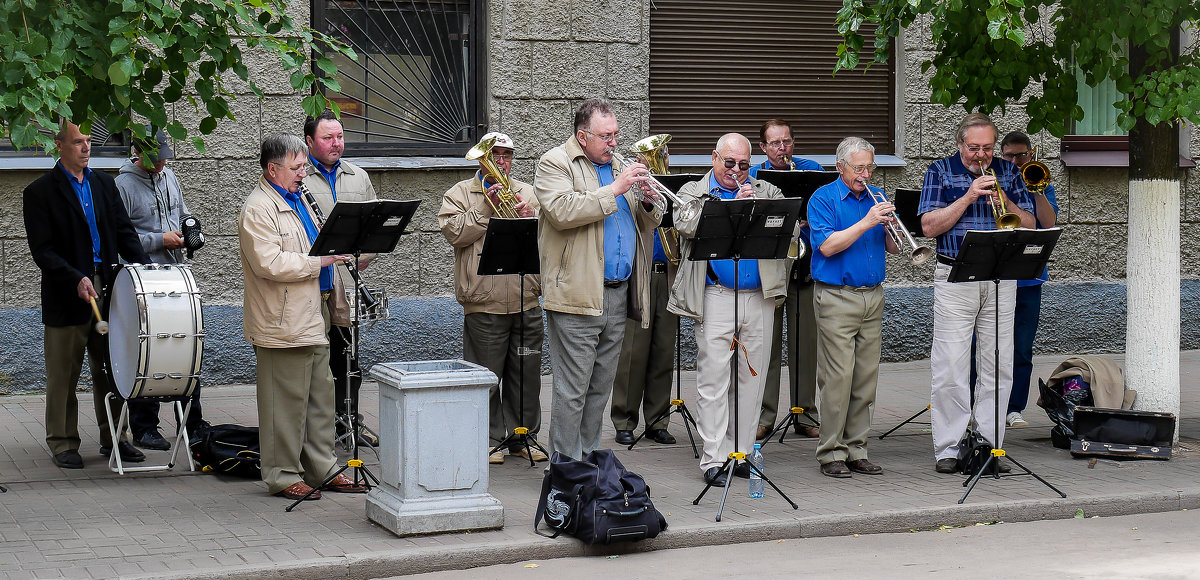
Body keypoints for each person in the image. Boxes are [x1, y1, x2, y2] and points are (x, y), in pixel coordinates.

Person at [239, 132, 365, 500]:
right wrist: (320, 261)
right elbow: (270, 263)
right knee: (285, 403)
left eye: (304, 167)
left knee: (320, 397)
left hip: (313, 312)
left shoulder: (298, 199)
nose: (302, 175)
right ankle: (282, 474)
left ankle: (322, 467)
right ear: (272, 168)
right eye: (296, 168)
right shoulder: (258, 208)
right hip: (282, 320)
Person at [533, 97, 660, 461]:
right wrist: (616, 189)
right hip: (577, 294)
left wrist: (649, 202)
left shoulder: (619, 164)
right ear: (583, 136)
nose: (615, 142)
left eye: (616, 134)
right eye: (606, 136)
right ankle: (565, 467)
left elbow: (652, 218)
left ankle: (588, 459)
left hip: (619, 293)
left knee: (600, 387)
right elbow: (561, 211)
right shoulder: (555, 162)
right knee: (572, 389)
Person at [23, 120, 151, 469]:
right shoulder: (40, 192)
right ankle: (63, 442)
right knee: (64, 373)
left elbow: (124, 233)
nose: (86, 147)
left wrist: (148, 270)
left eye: (88, 141)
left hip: (110, 288)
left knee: (111, 369)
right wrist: (75, 278)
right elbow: (43, 250)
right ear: (59, 145)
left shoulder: (104, 184)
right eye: (77, 141)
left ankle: (115, 437)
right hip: (68, 292)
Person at [668, 133, 793, 487]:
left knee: (752, 381)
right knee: (713, 379)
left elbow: (785, 227)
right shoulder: (693, 191)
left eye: (743, 165)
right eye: (729, 163)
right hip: (715, 294)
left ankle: (740, 453)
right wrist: (730, 209)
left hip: (759, 296)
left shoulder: (766, 190)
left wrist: (756, 209)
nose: (736, 171)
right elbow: (686, 224)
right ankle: (713, 458)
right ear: (714, 158)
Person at [918, 113, 1036, 474]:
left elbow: (1030, 224)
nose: (980, 156)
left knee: (997, 364)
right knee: (951, 364)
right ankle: (949, 448)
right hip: (955, 273)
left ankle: (990, 444)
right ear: (959, 144)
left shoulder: (1009, 171)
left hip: (1001, 276)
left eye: (986, 148)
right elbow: (927, 226)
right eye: (973, 148)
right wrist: (969, 197)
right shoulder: (939, 171)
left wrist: (1003, 196)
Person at [438, 131, 548, 464]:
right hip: (483, 303)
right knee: (486, 374)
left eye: (506, 155)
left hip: (525, 299)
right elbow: (453, 233)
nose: (501, 162)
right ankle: (488, 437)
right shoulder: (460, 193)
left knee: (526, 370)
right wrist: (485, 207)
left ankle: (523, 436)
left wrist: (534, 218)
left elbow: (550, 235)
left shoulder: (528, 192)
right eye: (495, 155)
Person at [807, 137, 897, 478]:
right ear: (840, 166)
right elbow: (827, 246)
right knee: (838, 378)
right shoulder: (823, 199)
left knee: (865, 379)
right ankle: (831, 452)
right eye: (859, 168)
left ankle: (857, 448)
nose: (866, 174)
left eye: (870, 167)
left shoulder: (878, 198)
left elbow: (893, 249)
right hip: (836, 295)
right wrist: (867, 221)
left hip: (873, 294)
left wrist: (890, 228)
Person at [115, 129, 209, 451]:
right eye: (154, 159)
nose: (160, 164)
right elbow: (121, 239)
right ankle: (145, 427)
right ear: (137, 154)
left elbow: (182, 215)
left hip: (176, 273)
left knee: (185, 346)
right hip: (143, 278)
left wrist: (190, 231)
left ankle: (192, 421)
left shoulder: (169, 176)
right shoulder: (123, 185)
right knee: (149, 350)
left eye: (164, 157)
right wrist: (160, 240)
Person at [301, 111, 380, 448]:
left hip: (347, 284)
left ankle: (350, 422)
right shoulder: (298, 177)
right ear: (309, 142)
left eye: (340, 137)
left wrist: (362, 258)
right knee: (317, 360)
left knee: (349, 358)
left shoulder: (357, 176)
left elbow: (375, 228)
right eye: (327, 138)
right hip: (313, 284)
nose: (336, 144)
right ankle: (318, 429)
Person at [749, 118, 824, 441]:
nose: (783, 149)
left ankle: (805, 413)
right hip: (772, 267)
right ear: (763, 148)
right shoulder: (755, 177)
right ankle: (764, 415)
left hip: (804, 268)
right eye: (776, 144)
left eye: (788, 142)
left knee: (805, 344)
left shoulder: (812, 171)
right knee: (768, 345)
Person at [611, 148, 678, 448]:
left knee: (664, 350)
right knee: (633, 352)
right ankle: (624, 420)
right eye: (646, 160)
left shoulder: (672, 191)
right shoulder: (629, 193)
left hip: (669, 274)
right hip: (641, 273)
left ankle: (658, 420)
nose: (651, 165)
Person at [997, 131, 1059, 428]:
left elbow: (1048, 223)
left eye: (1020, 155)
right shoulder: (996, 180)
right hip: (996, 275)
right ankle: (981, 404)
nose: (1014, 160)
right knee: (985, 346)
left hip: (1029, 278)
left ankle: (1013, 408)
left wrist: (1036, 190)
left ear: (1031, 154)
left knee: (1022, 346)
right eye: (1008, 155)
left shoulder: (1040, 180)